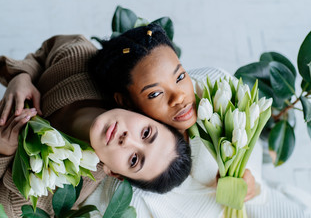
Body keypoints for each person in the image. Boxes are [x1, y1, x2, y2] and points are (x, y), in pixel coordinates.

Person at [0, 34, 191, 217]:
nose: (127, 139)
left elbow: (10, 207)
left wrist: (5, 151)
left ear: (114, 173)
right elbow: (45, 54)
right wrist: (21, 76)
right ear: (141, 113)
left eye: (134, 160)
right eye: (146, 132)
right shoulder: (79, 61)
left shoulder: (68, 185)